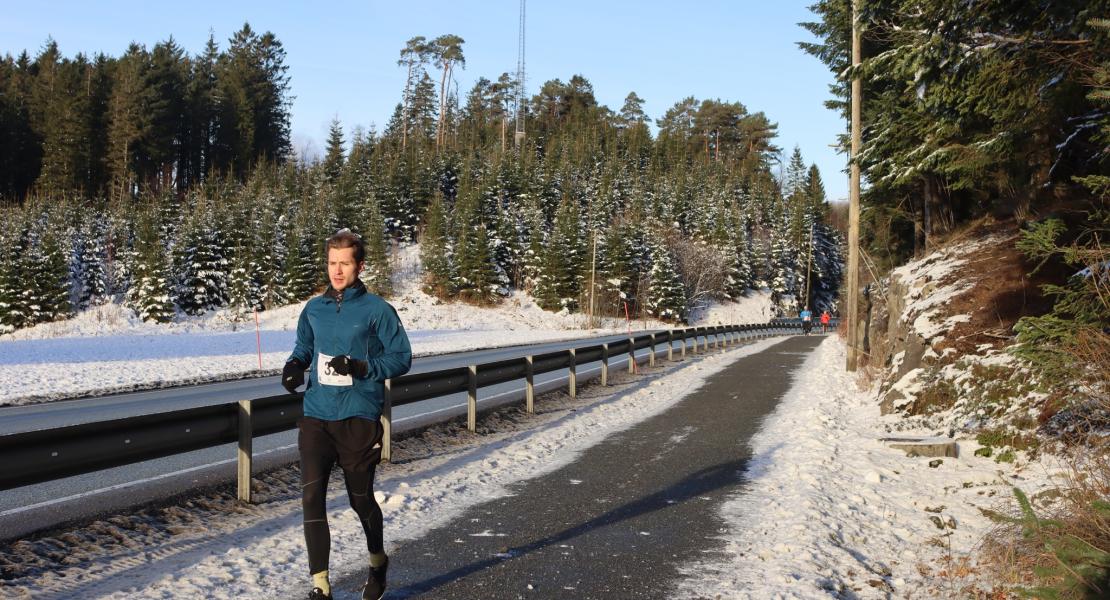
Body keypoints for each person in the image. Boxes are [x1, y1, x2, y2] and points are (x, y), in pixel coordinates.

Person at [282, 229, 412, 600]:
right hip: (317, 415)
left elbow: (401, 358)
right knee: (311, 498)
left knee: (360, 500)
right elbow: (304, 347)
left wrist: (359, 367)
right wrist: (293, 365)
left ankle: (377, 561)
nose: (336, 271)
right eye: (332, 263)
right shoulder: (314, 309)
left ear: (359, 266)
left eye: (345, 263)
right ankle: (320, 586)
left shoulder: (377, 310)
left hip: (358, 416)